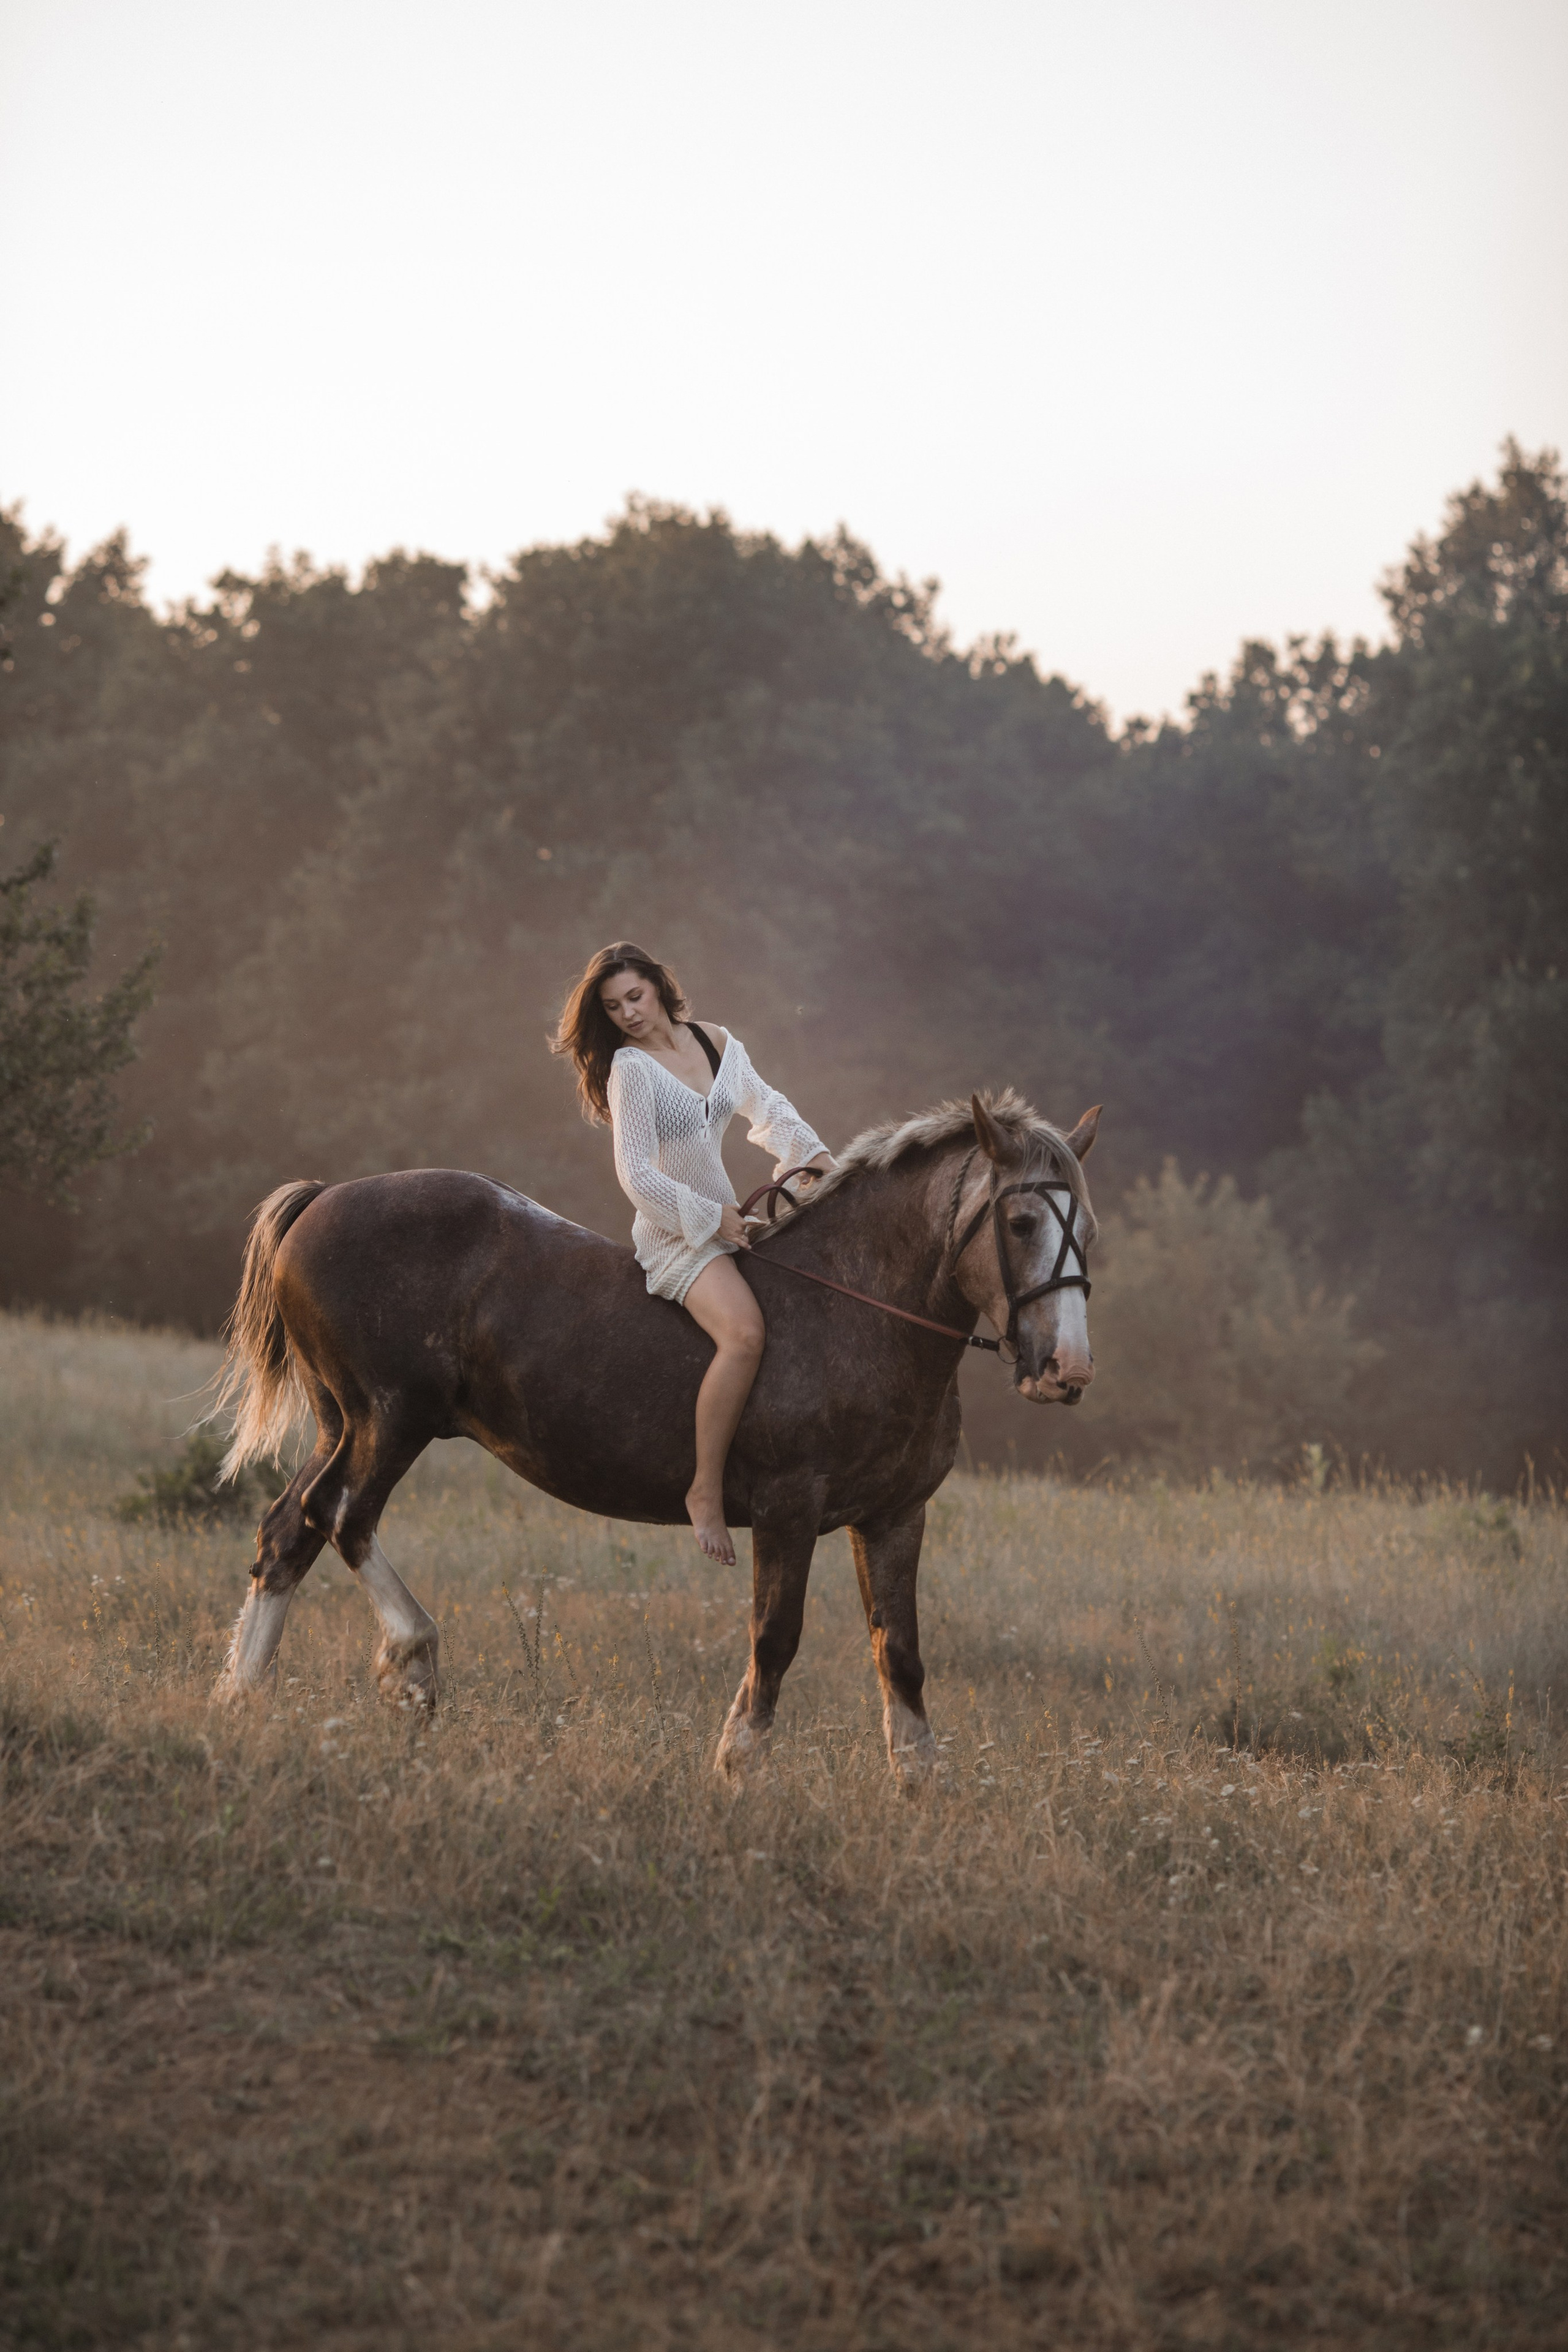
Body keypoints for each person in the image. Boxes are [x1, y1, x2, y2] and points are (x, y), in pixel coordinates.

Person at [551, 941, 832, 1564]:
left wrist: (814, 1159)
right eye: (613, 1006)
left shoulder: (714, 1042)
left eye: (635, 996)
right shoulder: (629, 1069)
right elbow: (636, 1177)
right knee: (745, 1335)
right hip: (675, 1233)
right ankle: (704, 1492)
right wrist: (710, 1218)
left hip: (732, 1221)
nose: (627, 1013)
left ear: (657, 985)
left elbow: (768, 1107)